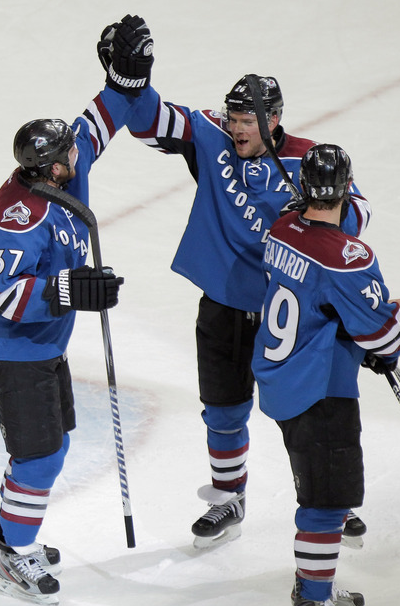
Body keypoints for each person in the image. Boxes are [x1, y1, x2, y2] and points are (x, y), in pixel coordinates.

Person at [120, 57, 372, 548]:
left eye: (247, 121)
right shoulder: (210, 135)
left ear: (274, 121)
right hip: (224, 304)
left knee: (301, 413)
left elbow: (358, 212)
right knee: (222, 408)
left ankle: (328, 504)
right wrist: (132, 80)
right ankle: (229, 498)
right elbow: (147, 120)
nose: (237, 129)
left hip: (291, 314)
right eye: (233, 118)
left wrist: (316, 214)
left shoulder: (307, 162)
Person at [0, 14, 151, 605]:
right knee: (41, 454)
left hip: (45, 344)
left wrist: (124, 80)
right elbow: (0, 294)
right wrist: (72, 292)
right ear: (52, 168)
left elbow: (101, 121)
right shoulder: (18, 215)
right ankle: (13, 554)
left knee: (55, 445)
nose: (80, 150)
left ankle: (8, 533)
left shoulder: (63, 167)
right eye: (71, 151)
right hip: (12, 348)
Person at [251, 144, 400, 606]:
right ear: (344, 188)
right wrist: (396, 319)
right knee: (326, 501)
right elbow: (381, 340)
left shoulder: (281, 229)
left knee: (321, 494)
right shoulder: (347, 257)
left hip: (281, 376)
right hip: (319, 390)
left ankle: (311, 584)